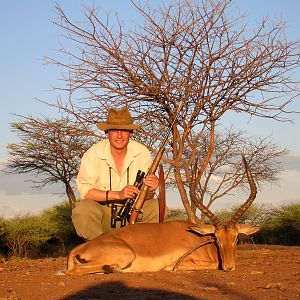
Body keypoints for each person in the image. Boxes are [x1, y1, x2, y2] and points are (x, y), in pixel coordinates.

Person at [72, 107, 161, 240]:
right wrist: (118, 194)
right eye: (114, 130)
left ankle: (146, 250)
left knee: (156, 206)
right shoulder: (93, 153)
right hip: (104, 213)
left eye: (124, 130)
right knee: (83, 208)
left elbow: (146, 196)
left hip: (132, 212)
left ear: (130, 132)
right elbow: (86, 192)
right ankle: (97, 249)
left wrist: (151, 188)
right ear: (107, 132)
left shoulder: (142, 152)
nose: (119, 135)